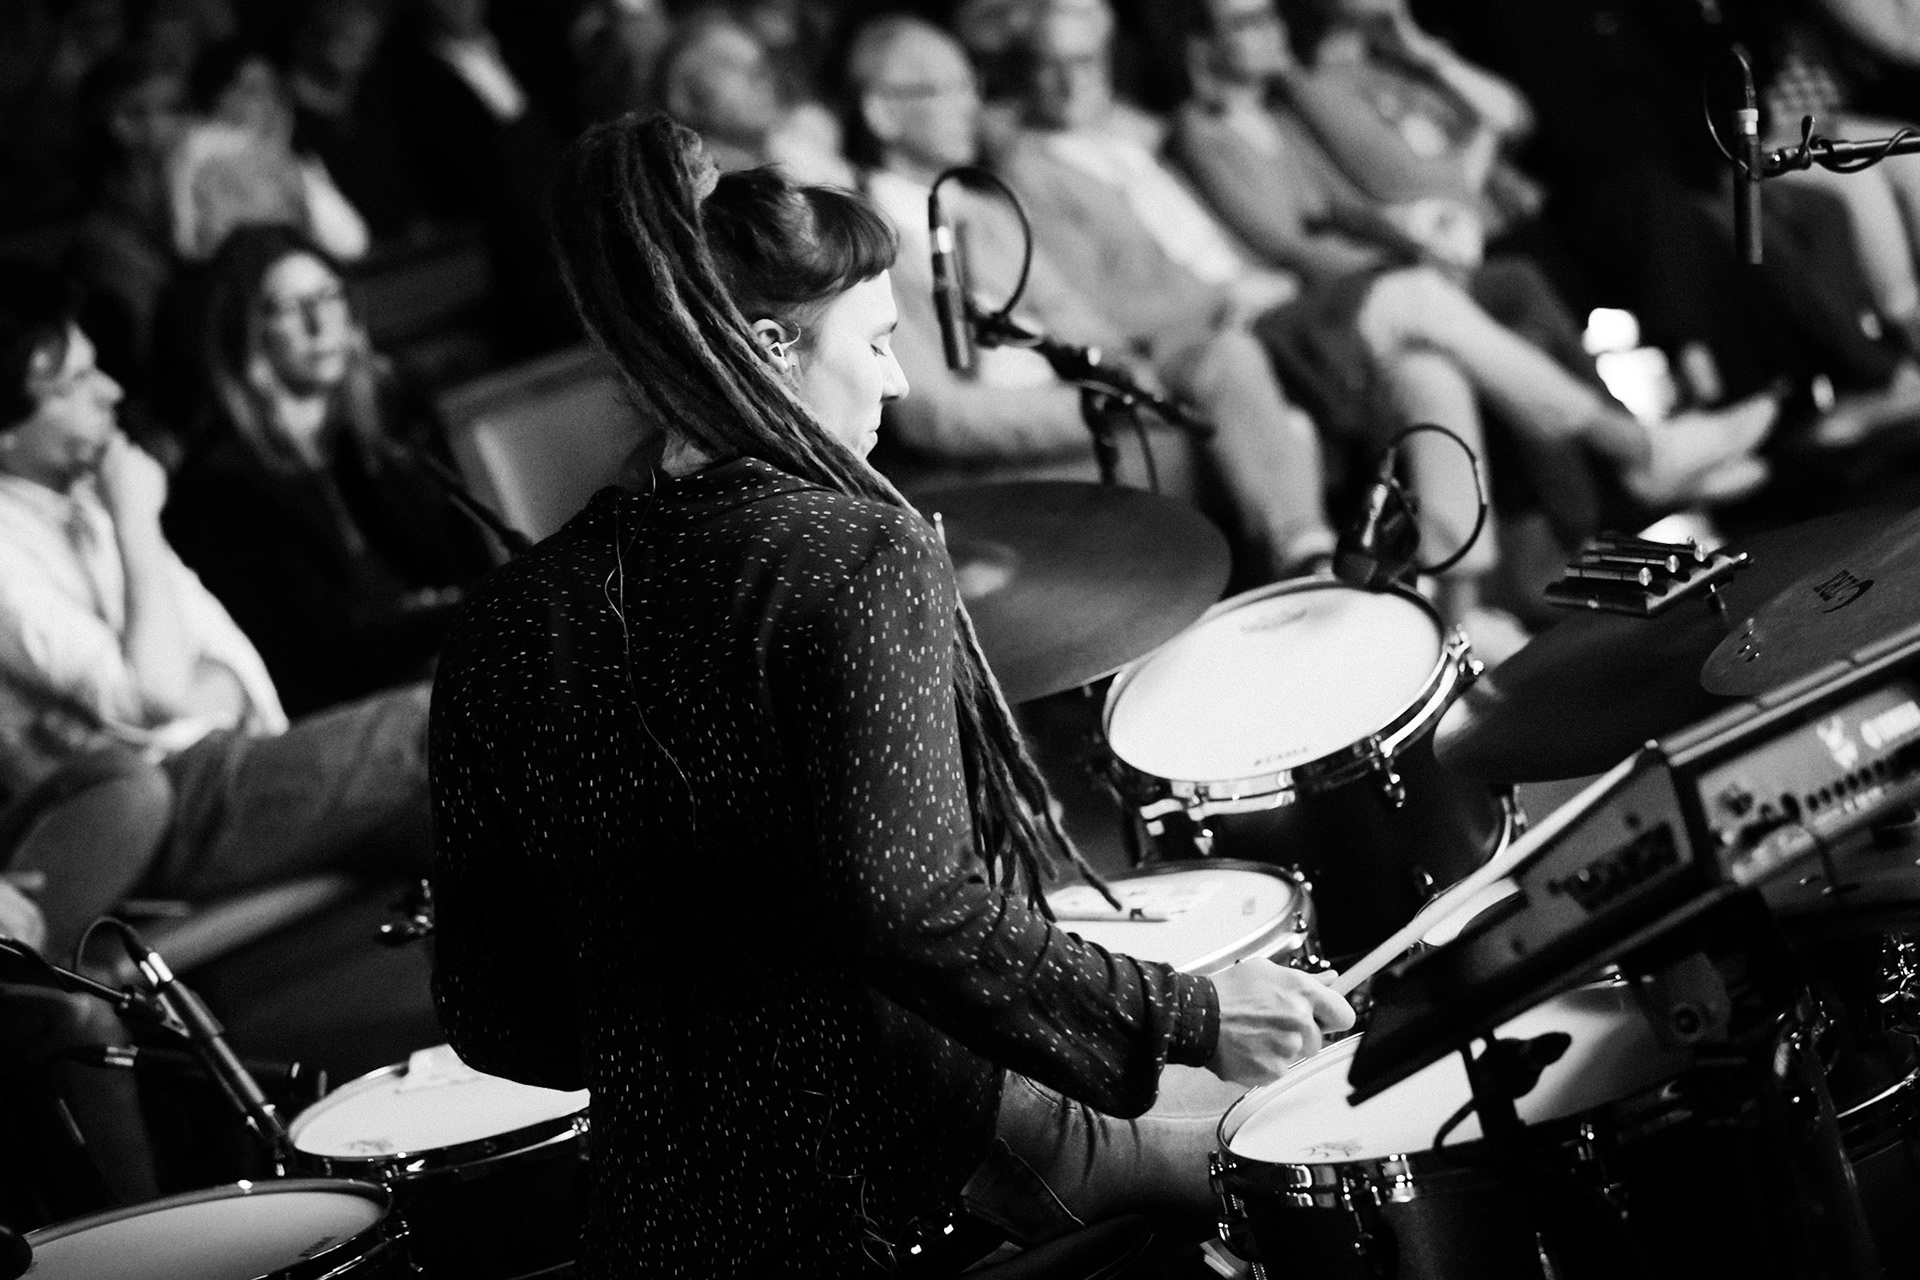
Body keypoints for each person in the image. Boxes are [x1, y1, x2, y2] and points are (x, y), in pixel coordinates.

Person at [429, 111, 1355, 1278]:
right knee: (1312, 1141)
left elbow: (495, 1009)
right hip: (889, 1178)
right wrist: (1198, 1015)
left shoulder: (502, 622)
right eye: (874, 341)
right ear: (770, 346)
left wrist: (696, 1037)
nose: (900, 376)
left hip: (655, 1225)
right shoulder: (851, 551)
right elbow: (915, 915)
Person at [1000, 0, 1780, 557]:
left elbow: (1342, 203)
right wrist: (1251, 290)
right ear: (1022, 75)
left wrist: (1410, 228)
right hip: (1236, 325)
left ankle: (1475, 595)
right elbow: (1114, 299)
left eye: (1084, 61)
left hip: (1287, 302)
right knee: (1437, 294)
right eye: (1050, 66)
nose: (1072, 81)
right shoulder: (1033, 166)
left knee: (1432, 370)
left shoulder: (1130, 141)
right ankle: (1636, 450)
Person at [0, 261, 432, 961]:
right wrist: (138, 525)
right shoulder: (37, 537)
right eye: (74, 385)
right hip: (155, 809)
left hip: (227, 760)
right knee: (440, 721)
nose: (109, 392)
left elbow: (228, 662)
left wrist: (188, 683)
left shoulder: (90, 493)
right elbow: (160, 693)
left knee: (467, 814)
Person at [845, 13, 1336, 579]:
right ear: (880, 113)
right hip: (1003, 458)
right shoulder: (867, 242)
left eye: (969, 86)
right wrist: (1102, 406)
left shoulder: (987, 209)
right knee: (1260, 439)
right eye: (941, 90)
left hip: (1083, 399)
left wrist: (1124, 372)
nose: (968, 106)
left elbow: (1076, 321)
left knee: (1228, 358)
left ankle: (1308, 560)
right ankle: (1295, 579)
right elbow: (937, 416)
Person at [161, 225, 494, 717]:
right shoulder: (218, 484)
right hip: (348, 707)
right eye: (292, 308)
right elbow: (324, 653)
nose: (321, 324)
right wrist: (464, 613)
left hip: (447, 657)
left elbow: (465, 552)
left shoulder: (391, 419)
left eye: (329, 296)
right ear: (244, 332)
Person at [167, 40, 371, 264]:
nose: (269, 100)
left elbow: (352, 244)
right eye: (252, 89)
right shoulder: (200, 152)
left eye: (273, 87)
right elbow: (194, 245)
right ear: (218, 99)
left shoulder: (295, 159)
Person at [654, 7, 857, 188]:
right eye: (730, 64)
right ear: (682, 89)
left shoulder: (806, 151)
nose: (760, 76)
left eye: (760, 63)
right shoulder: (685, 184)